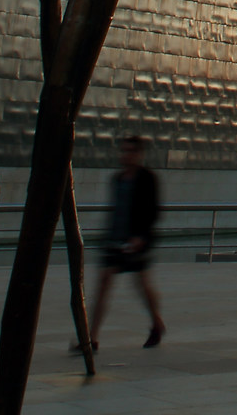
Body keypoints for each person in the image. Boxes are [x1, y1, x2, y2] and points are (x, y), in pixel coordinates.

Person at [91, 135, 165, 350]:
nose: (126, 155)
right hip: (116, 239)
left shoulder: (147, 178)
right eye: (124, 151)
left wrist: (141, 237)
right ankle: (91, 338)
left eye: (131, 151)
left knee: (142, 285)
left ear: (139, 154)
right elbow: (115, 210)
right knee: (104, 283)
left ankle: (156, 323)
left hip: (137, 241)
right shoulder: (117, 178)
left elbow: (153, 211)